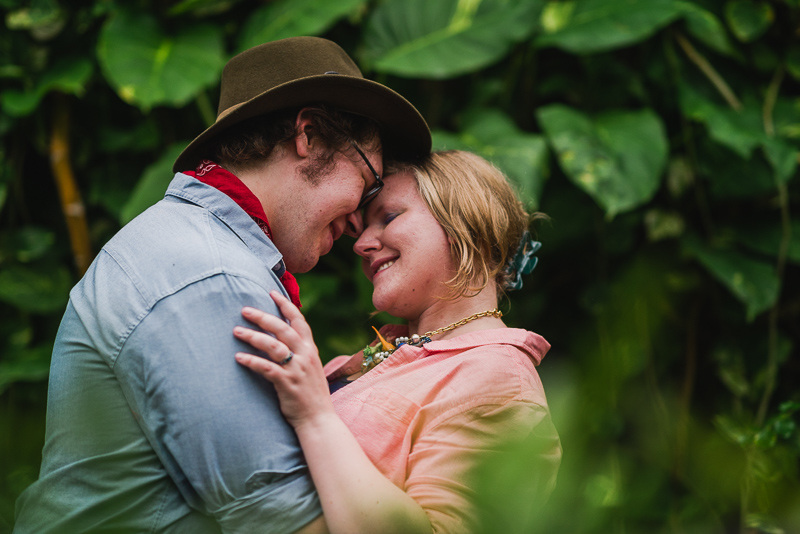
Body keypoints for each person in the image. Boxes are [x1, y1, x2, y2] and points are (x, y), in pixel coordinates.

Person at [14, 37, 429, 533]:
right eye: (370, 181)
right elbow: (286, 525)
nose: (362, 223)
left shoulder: (197, 249)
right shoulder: (210, 277)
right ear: (310, 135)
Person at [233, 150, 562, 534]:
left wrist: (314, 416)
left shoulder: (500, 380)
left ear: (466, 224)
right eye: (361, 231)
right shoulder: (391, 350)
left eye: (389, 217)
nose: (360, 245)